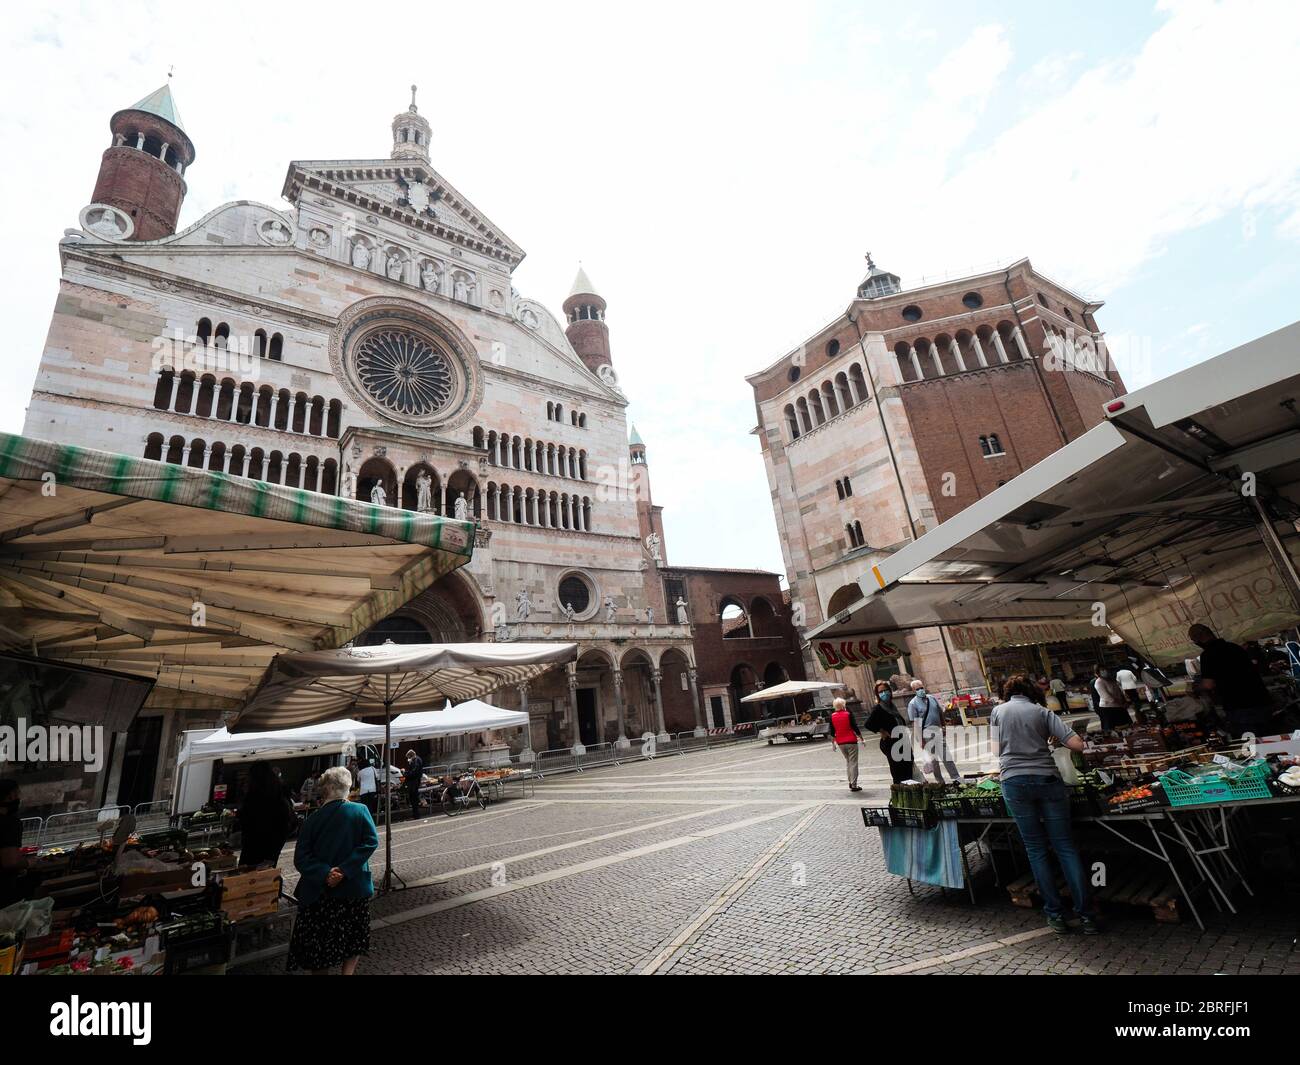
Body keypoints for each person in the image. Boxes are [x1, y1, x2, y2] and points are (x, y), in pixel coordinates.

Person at [991, 675, 1100, 935]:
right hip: (1048, 780)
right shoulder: (1041, 711)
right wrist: (1050, 739)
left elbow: (996, 751)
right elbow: (1077, 744)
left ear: (1008, 692)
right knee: (1065, 847)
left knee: (1035, 849)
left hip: (1015, 783)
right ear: (1031, 692)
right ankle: (1086, 915)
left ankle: (1055, 914)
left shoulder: (998, 711)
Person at [287, 766, 379, 975]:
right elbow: (371, 842)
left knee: (319, 945)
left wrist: (326, 873)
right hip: (352, 888)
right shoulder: (360, 810)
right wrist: (344, 871)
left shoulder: (312, 820)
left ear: (325, 791)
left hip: (319, 893)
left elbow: (300, 858)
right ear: (346, 788)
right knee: (353, 937)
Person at [1188, 624, 1276, 737]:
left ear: (1198, 638)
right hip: (1261, 700)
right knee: (1271, 738)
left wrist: (1196, 687)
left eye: (1193, 639)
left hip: (1240, 706)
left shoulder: (1208, 655)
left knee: (1254, 745)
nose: (1194, 642)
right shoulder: (1234, 647)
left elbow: (1208, 684)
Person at [237, 762, 297, 868]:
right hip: (269, 853)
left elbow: (244, 821)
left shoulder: (255, 797)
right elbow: (288, 825)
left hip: (253, 850)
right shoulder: (279, 795)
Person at [907, 680, 961, 783]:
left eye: (921, 688)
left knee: (946, 756)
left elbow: (940, 713)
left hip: (938, 731)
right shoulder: (913, 704)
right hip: (926, 733)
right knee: (934, 760)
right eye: (917, 689)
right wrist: (921, 740)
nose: (920, 690)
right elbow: (916, 724)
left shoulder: (932, 698)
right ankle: (940, 781)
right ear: (914, 690)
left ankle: (956, 777)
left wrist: (944, 726)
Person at [865, 681, 914, 784]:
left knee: (908, 766)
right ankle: (900, 791)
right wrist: (881, 730)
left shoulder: (892, 706)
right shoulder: (878, 708)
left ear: (890, 691)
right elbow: (868, 724)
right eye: (881, 692)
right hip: (891, 743)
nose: (884, 693)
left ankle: (909, 790)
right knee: (898, 771)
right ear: (877, 695)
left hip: (902, 741)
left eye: (886, 690)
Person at [0, 780, 29, 907]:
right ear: (11, 796)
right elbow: (10, 861)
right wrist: (29, 862)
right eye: (18, 793)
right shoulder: (10, 823)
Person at [828, 696, 864, 792]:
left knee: (848, 762)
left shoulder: (832, 716)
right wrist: (861, 738)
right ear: (843, 705)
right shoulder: (848, 714)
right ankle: (854, 784)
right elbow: (855, 727)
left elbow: (832, 731)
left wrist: (833, 744)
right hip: (851, 741)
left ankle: (850, 781)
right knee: (853, 763)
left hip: (840, 743)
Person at [1094, 667, 1130, 731]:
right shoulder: (1099, 682)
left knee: (1126, 726)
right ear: (1098, 673)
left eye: (1105, 669)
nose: (1105, 671)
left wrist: (1124, 701)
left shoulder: (1111, 680)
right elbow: (1106, 696)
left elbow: (1119, 691)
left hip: (1120, 706)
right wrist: (1120, 703)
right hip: (1109, 708)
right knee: (1116, 728)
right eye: (1102, 670)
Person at [403, 750, 425, 820]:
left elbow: (413, 772)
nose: (408, 759)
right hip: (414, 782)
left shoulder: (416, 761)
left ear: (411, 756)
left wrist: (404, 773)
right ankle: (415, 814)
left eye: (408, 757)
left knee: (414, 798)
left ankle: (416, 815)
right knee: (413, 798)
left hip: (414, 782)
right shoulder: (416, 760)